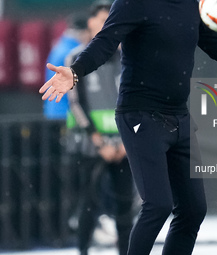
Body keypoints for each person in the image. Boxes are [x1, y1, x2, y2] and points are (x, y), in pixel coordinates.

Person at [39, 0, 217, 254]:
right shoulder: (134, 2)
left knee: (193, 209)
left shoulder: (191, 4)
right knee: (157, 205)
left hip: (179, 116)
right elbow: (105, 42)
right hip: (140, 115)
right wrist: (75, 72)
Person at [65, 1, 135, 255]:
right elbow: (76, 103)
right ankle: (82, 251)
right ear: (92, 23)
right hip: (89, 146)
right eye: (102, 20)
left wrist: (128, 142)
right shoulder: (76, 58)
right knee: (88, 205)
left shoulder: (129, 56)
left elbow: (137, 100)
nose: (106, 26)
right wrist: (97, 140)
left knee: (125, 208)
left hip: (125, 146)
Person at [44, 12, 90, 119]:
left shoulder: (60, 47)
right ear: (83, 32)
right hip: (67, 113)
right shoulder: (72, 53)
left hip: (54, 110)